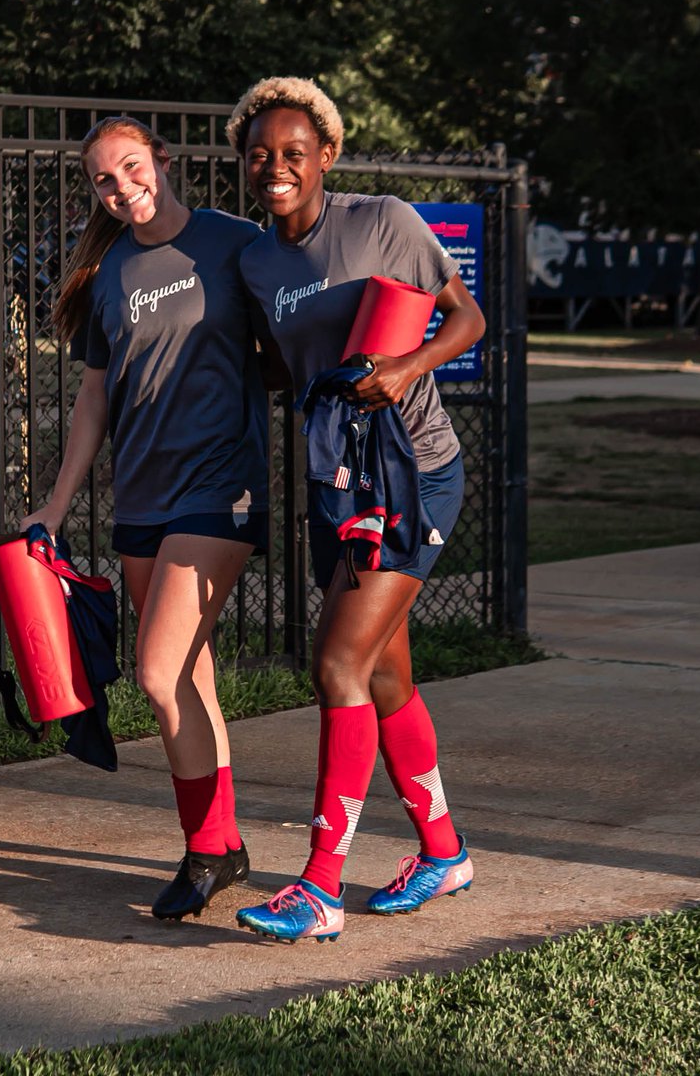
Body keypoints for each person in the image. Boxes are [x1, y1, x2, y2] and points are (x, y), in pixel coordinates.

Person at [225, 77, 486, 942]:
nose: (276, 167)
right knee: (383, 677)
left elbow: (467, 319)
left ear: (326, 156)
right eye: (260, 154)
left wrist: (407, 369)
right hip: (338, 484)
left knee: (337, 665)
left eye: (294, 153)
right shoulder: (257, 262)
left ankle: (320, 887)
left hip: (414, 475)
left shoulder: (383, 223)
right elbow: (279, 367)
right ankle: (444, 853)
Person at [20, 116, 268, 921]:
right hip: (143, 500)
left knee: (159, 674)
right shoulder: (109, 271)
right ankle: (224, 845)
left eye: (133, 167)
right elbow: (95, 395)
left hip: (218, 493)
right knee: (190, 678)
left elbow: (294, 334)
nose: (122, 187)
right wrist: (57, 503)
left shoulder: (234, 243)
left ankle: (207, 852)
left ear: (162, 160)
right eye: (104, 179)